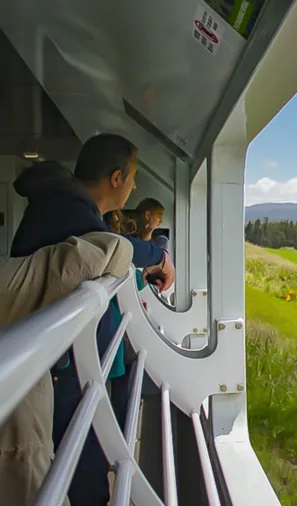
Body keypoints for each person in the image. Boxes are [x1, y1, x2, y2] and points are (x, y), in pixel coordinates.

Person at [11, 133, 174, 506]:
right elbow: (112, 246)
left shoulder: (67, 205)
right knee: (80, 472)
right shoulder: (66, 206)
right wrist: (160, 257)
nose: (133, 187)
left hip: (66, 363)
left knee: (86, 461)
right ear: (116, 178)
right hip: (60, 369)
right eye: (132, 179)